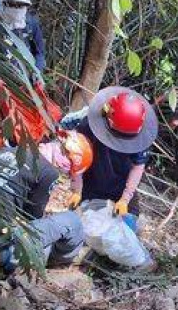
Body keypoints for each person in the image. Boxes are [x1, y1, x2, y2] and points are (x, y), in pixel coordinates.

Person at [0, 131, 93, 272]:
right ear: (68, 160)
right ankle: (56, 262)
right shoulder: (48, 172)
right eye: (69, 171)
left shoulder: (7, 151)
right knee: (71, 221)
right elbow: (32, 218)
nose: (66, 174)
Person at [66, 87, 158, 268]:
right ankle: (94, 253)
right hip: (93, 180)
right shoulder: (87, 126)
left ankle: (126, 259)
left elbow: (137, 168)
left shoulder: (141, 137)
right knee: (89, 226)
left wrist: (125, 198)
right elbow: (78, 158)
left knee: (128, 226)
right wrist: (77, 190)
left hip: (121, 183)